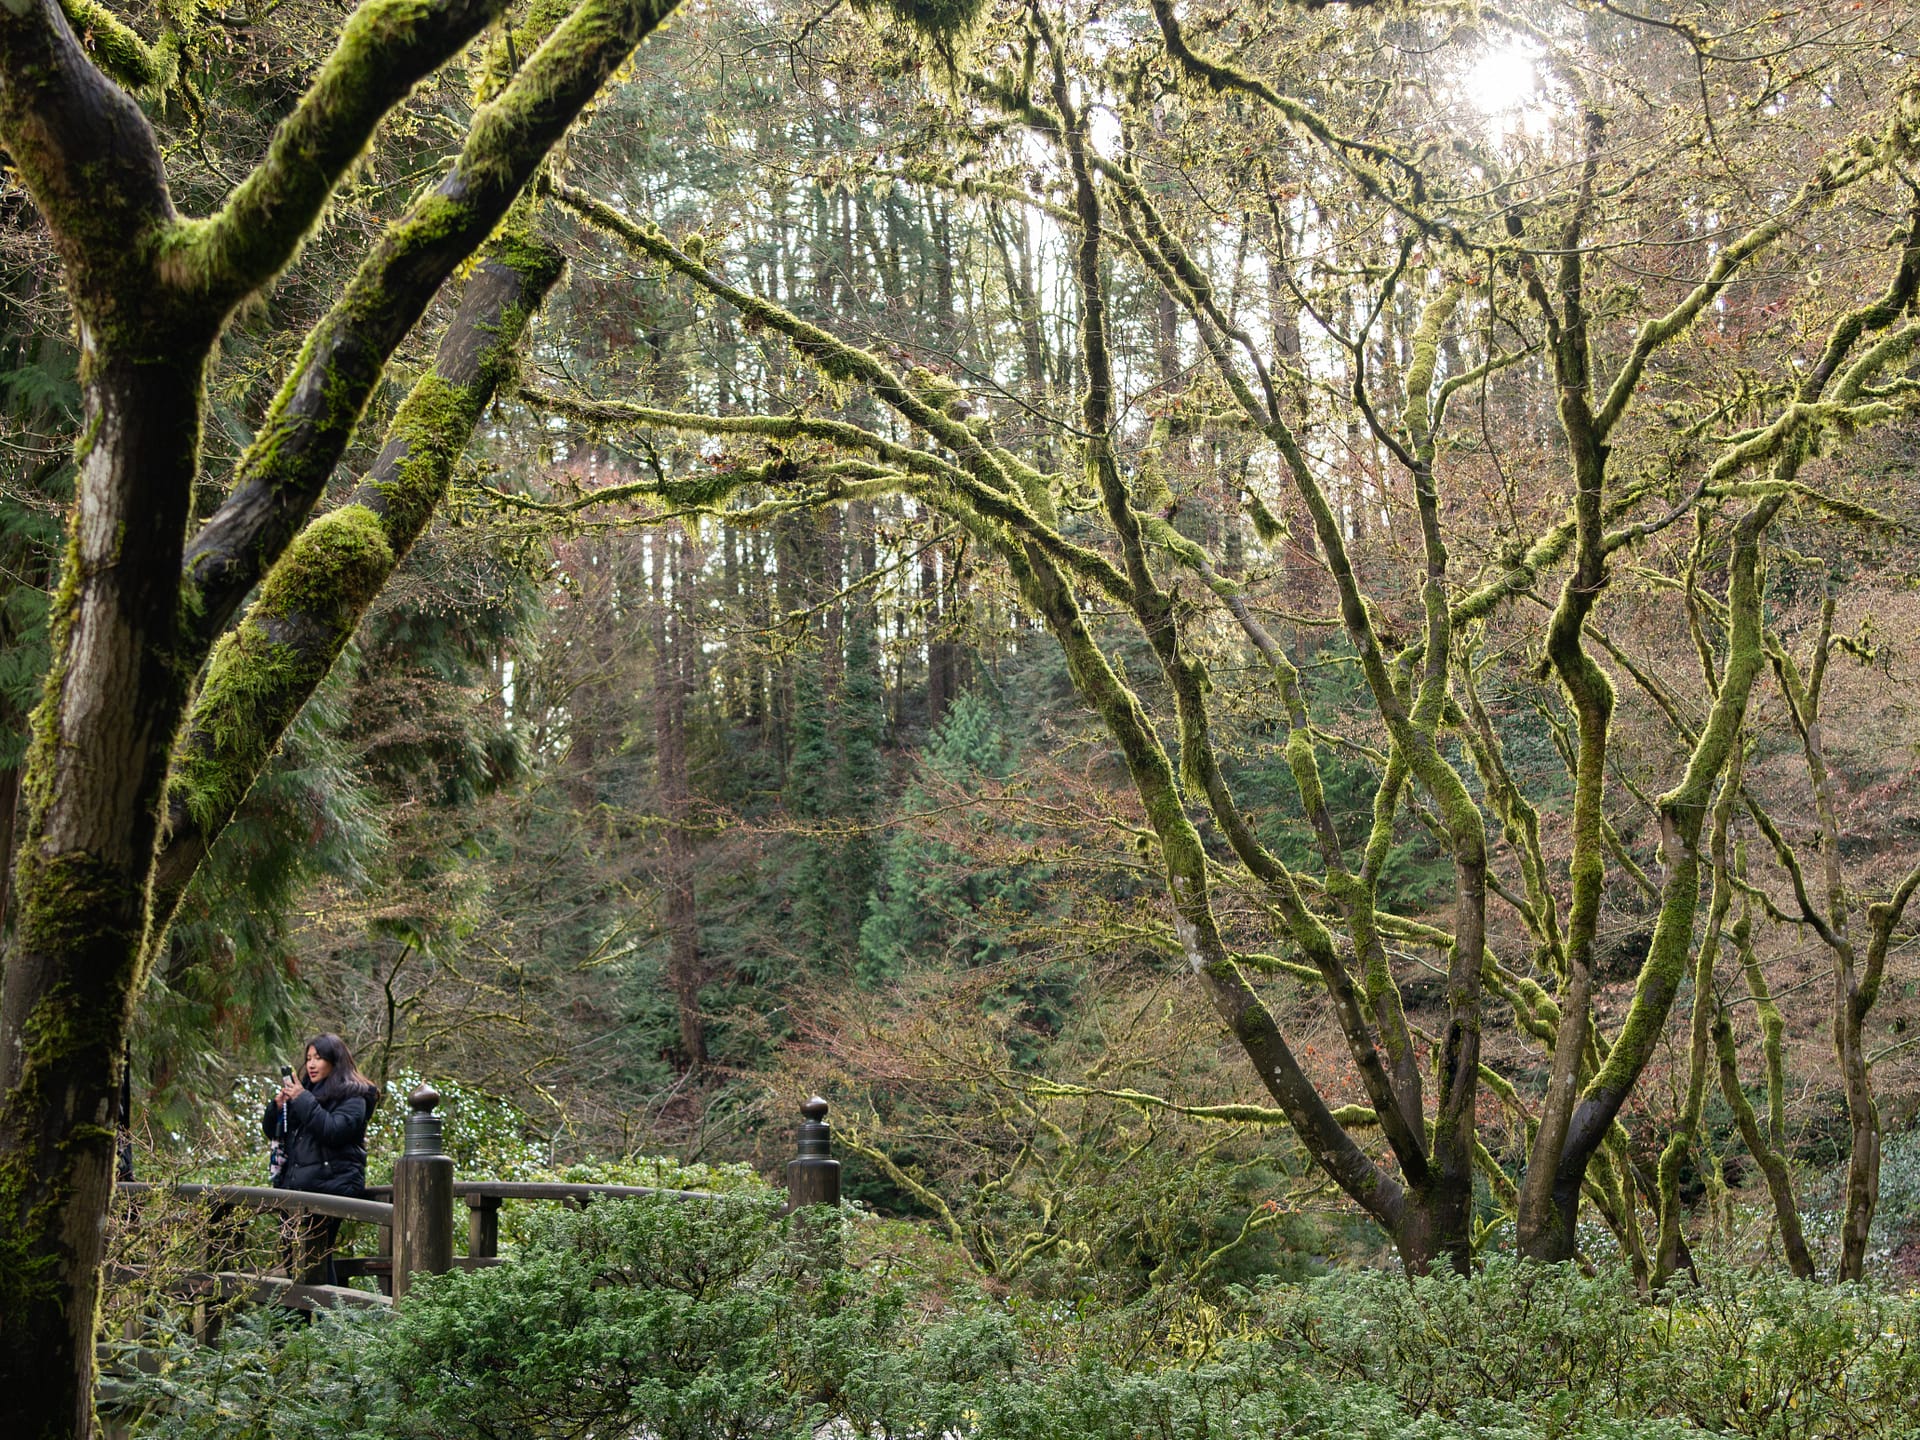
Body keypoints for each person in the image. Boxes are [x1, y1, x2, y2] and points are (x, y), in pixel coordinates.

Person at [262, 1033, 381, 1284]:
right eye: (308, 1058)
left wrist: (302, 1099)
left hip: (332, 1185)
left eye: (318, 1058)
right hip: (298, 1187)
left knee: (316, 1257)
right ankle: (299, 1322)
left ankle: (332, 1321)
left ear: (334, 1061)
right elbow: (277, 1133)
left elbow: (333, 1131)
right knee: (293, 1259)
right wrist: (277, 1107)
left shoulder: (354, 1095)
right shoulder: (305, 1094)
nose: (311, 1065)